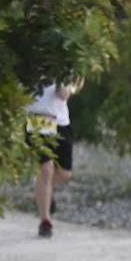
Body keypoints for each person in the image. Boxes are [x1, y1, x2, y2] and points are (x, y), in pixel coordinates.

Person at [25, 77, 83, 238]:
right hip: (36, 119)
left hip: (60, 122)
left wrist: (65, 90)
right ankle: (45, 221)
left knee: (65, 174)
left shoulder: (66, 64)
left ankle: (44, 192)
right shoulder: (33, 60)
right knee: (46, 170)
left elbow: (69, 90)